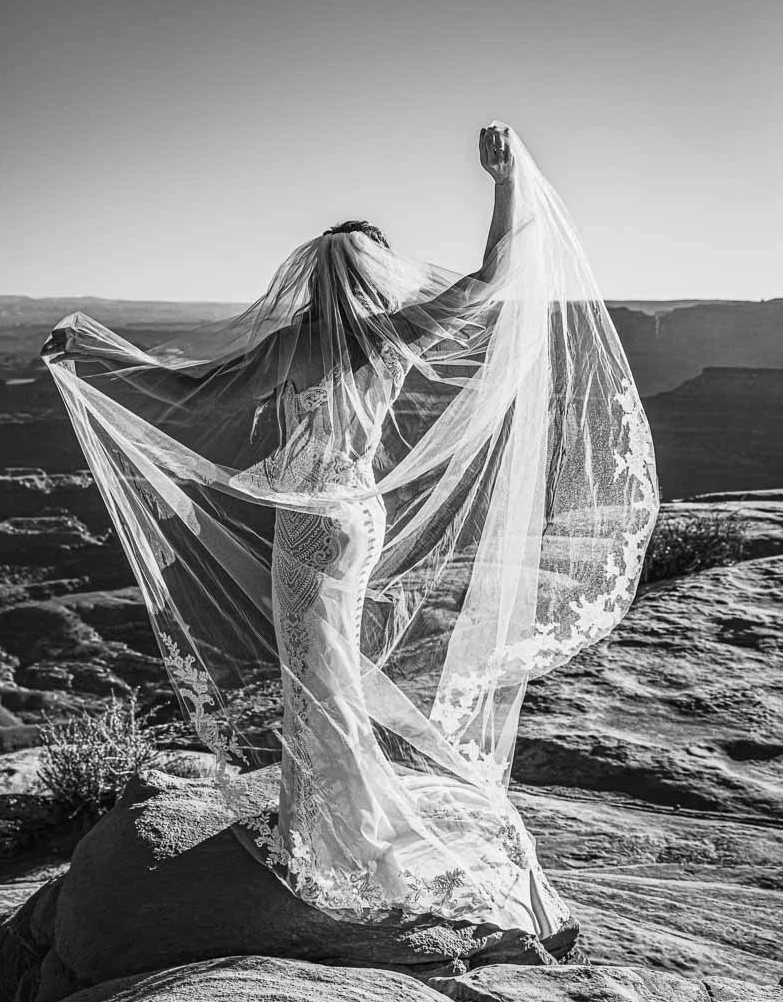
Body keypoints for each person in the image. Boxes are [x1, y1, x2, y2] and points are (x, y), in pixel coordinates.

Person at [41, 122, 659, 956]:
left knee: (315, 676)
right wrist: (508, 181)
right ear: (377, 273)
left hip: (310, 522)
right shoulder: (397, 333)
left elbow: (191, 390)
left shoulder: (300, 344)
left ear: (315, 276)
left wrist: (91, 355)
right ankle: (343, 814)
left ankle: (339, 832)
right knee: (329, 673)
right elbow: (489, 277)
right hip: (359, 513)